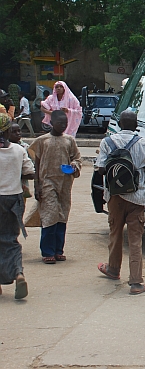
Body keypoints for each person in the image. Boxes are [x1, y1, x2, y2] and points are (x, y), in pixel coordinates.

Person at [95, 110, 145, 295]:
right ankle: (136, 283)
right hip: (137, 198)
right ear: (136, 125)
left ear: (119, 124)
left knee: (115, 233)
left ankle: (113, 269)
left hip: (114, 197)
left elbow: (101, 170)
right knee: (135, 240)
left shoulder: (107, 142)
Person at [29, 110, 81, 264]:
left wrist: (74, 166)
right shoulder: (42, 141)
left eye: (65, 123)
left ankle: (59, 250)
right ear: (51, 123)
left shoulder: (69, 140)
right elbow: (37, 164)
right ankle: (47, 251)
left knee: (62, 215)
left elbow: (77, 158)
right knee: (50, 215)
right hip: (47, 182)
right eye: (60, 123)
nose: (63, 126)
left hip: (65, 183)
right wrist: (37, 186)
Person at [0, 113, 34, 299]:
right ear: (7, 131)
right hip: (13, 199)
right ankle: (18, 273)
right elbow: (30, 173)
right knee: (11, 239)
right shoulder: (19, 150)